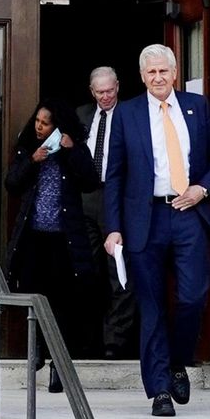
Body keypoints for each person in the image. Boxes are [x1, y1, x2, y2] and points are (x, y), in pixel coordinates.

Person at [104, 44, 210, 417]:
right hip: (145, 219)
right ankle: (159, 390)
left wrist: (201, 188)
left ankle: (176, 362)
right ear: (142, 77)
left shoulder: (197, 106)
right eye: (150, 72)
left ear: (174, 74)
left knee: (193, 296)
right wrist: (113, 229)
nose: (157, 78)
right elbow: (115, 175)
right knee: (152, 306)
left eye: (163, 72)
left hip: (188, 212)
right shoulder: (126, 114)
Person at [4, 98, 100, 393]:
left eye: (45, 123)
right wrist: (32, 161)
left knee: (63, 302)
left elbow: (90, 181)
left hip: (64, 240)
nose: (39, 127)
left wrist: (71, 151)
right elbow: (12, 184)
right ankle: (36, 352)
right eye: (37, 121)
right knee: (33, 295)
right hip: (34, 238)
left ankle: (59, 365)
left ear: (58, 125)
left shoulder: (73, 148)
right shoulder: (28, 147)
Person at [76, 66, 137, 360]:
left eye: (109, 91)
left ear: (118, 87)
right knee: (87, 270)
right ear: (91, 91)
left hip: (120, 199)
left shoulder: (132, 114)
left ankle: (115, 341)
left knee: (120, 272)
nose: (105, 97)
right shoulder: (81, 116)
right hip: (86, 198)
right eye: (99, 92)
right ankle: (86, 339)